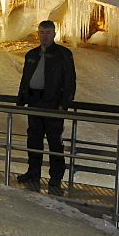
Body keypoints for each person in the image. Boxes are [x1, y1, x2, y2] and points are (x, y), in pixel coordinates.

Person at [16, 20, 77, 190]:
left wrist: (64, 104)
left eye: (48, 32)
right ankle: (33, 171)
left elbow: (70, 79)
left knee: (54, 140)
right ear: (38, 33)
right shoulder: (32, 54)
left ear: (54, 34)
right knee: (34, 138)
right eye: (42, 32)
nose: (45, 36)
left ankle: (56, 176)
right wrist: (21, 98)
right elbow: (26, 78)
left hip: (52, 102)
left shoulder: (63, 54)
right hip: (35, 100)